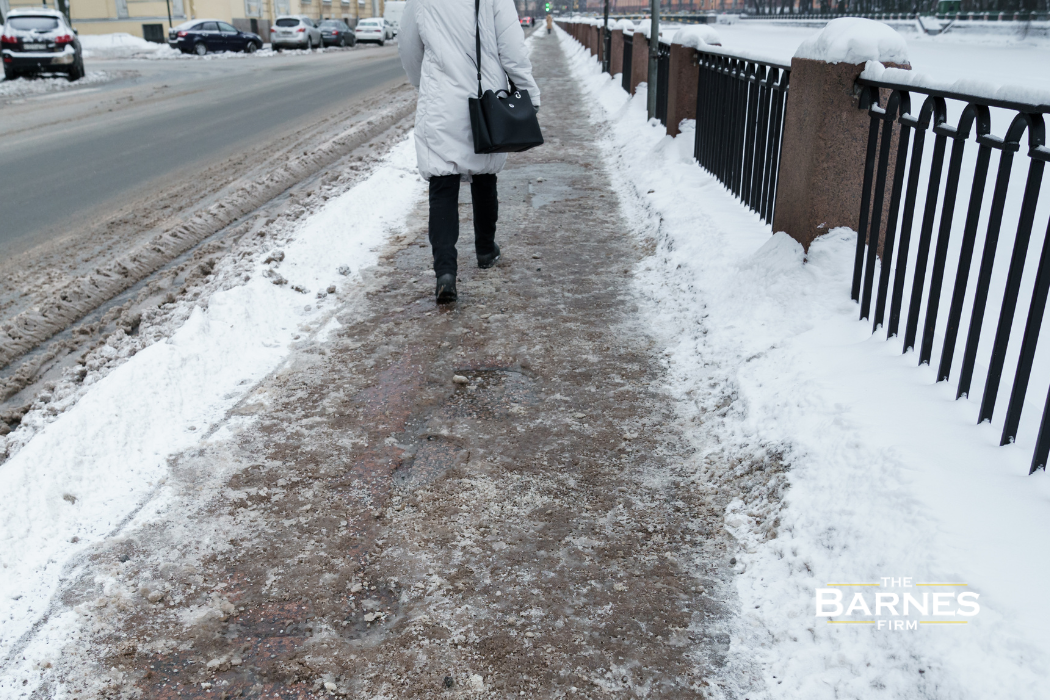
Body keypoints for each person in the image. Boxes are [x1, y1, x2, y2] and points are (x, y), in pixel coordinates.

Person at [399, 0, 540, 304]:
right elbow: (512, 48)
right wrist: (530, 92)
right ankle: (486, 250)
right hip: (486, 98)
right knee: (485, 174)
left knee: (442, 183)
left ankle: (445, 274)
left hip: (441, 100)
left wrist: (422, 82)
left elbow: (408, 47)